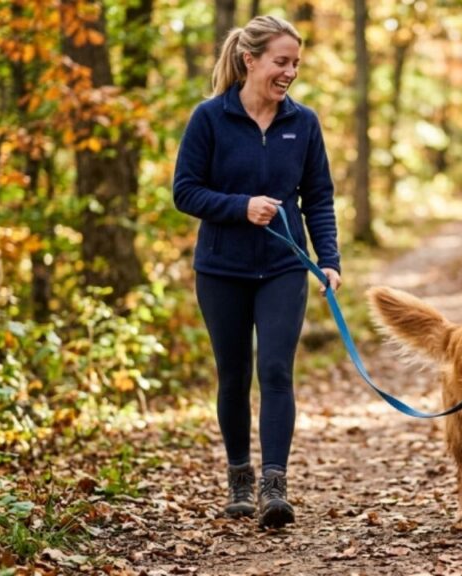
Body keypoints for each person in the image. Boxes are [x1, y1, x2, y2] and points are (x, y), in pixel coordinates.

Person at [172, 15, 341, 529]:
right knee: (234, 375)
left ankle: (274, 484)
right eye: (281, 61)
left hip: (284, 266)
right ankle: (239, 476)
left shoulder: (303, 123)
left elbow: (318, 197)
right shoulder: (210, 118)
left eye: (295, 63)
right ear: (250, 60)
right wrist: (240, 206)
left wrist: (329, 260)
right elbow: (185, 191)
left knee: (275, 370)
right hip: (221, 268)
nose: (290, 72)